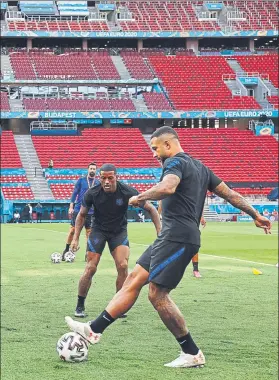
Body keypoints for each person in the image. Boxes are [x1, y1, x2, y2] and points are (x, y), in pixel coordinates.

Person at [65, 127, 271, 368]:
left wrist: (140, 197)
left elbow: (168, 187)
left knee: (157, 294)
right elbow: (230, 194)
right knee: (133, 278)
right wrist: (256, 214)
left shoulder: (174, 163)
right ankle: (93, 330)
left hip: (178, 236)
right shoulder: (201, 168)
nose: (154, 154)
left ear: (168, 145)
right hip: (172, 236)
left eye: (155, 148)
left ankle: (191, 352)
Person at [70, 163, 161, 318]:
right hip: (98, 231)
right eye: (103, 178)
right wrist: (75, 239)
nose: (106, 181)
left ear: (116, 178)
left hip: (118, 232)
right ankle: (80, 305)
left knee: (123, 265)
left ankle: (117, 306)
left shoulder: (127, 192)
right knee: (91, 268)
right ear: (99, 178)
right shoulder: (92, 193)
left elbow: (151, 209)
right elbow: (81, 215)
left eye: (110, 178)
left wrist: (160, 232)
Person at [62, 163, 100, 261]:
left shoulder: (97, 183)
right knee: (72, 231)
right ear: (88, 169)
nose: (92, 170)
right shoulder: (81, 180)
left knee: (89, 233)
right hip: (79, 210)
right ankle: (66, 250)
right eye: (91, 168)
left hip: (91, 212)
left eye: (94, 169)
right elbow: (74, 193)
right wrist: (71, 207)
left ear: (96, 171)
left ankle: (88, 254)